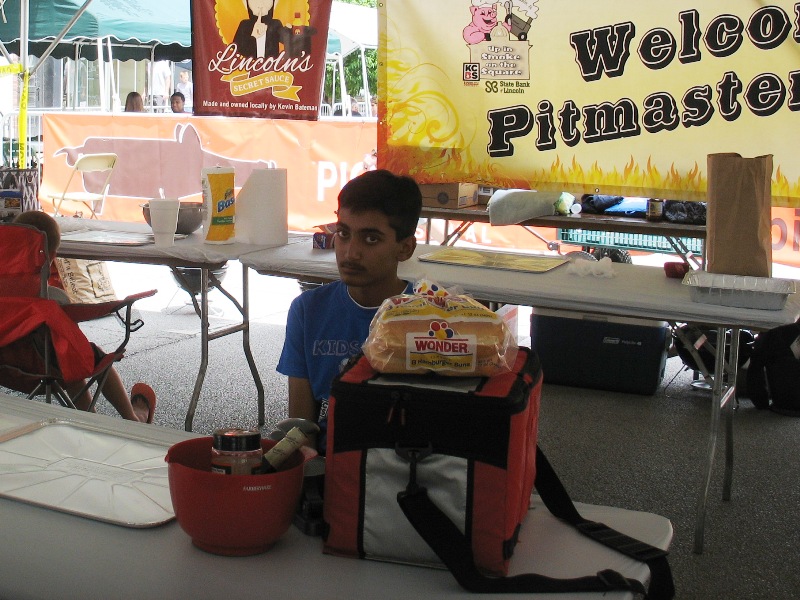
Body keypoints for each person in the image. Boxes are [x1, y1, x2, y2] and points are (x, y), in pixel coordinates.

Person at [277, 170, 422, 452]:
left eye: (371, 239)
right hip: (329, 464)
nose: (350, 252)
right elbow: (301, 430)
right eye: (343, 234)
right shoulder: (308, 311)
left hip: (407, 465)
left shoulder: (431, 318)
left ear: (405, 248)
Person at [12, 211, 157, 423]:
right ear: (52, 257)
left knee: (68, 362)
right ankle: (132, 418)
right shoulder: (54, 298)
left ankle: (90, 419)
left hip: (8, 366)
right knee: (83, 358)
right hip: (45, 366)